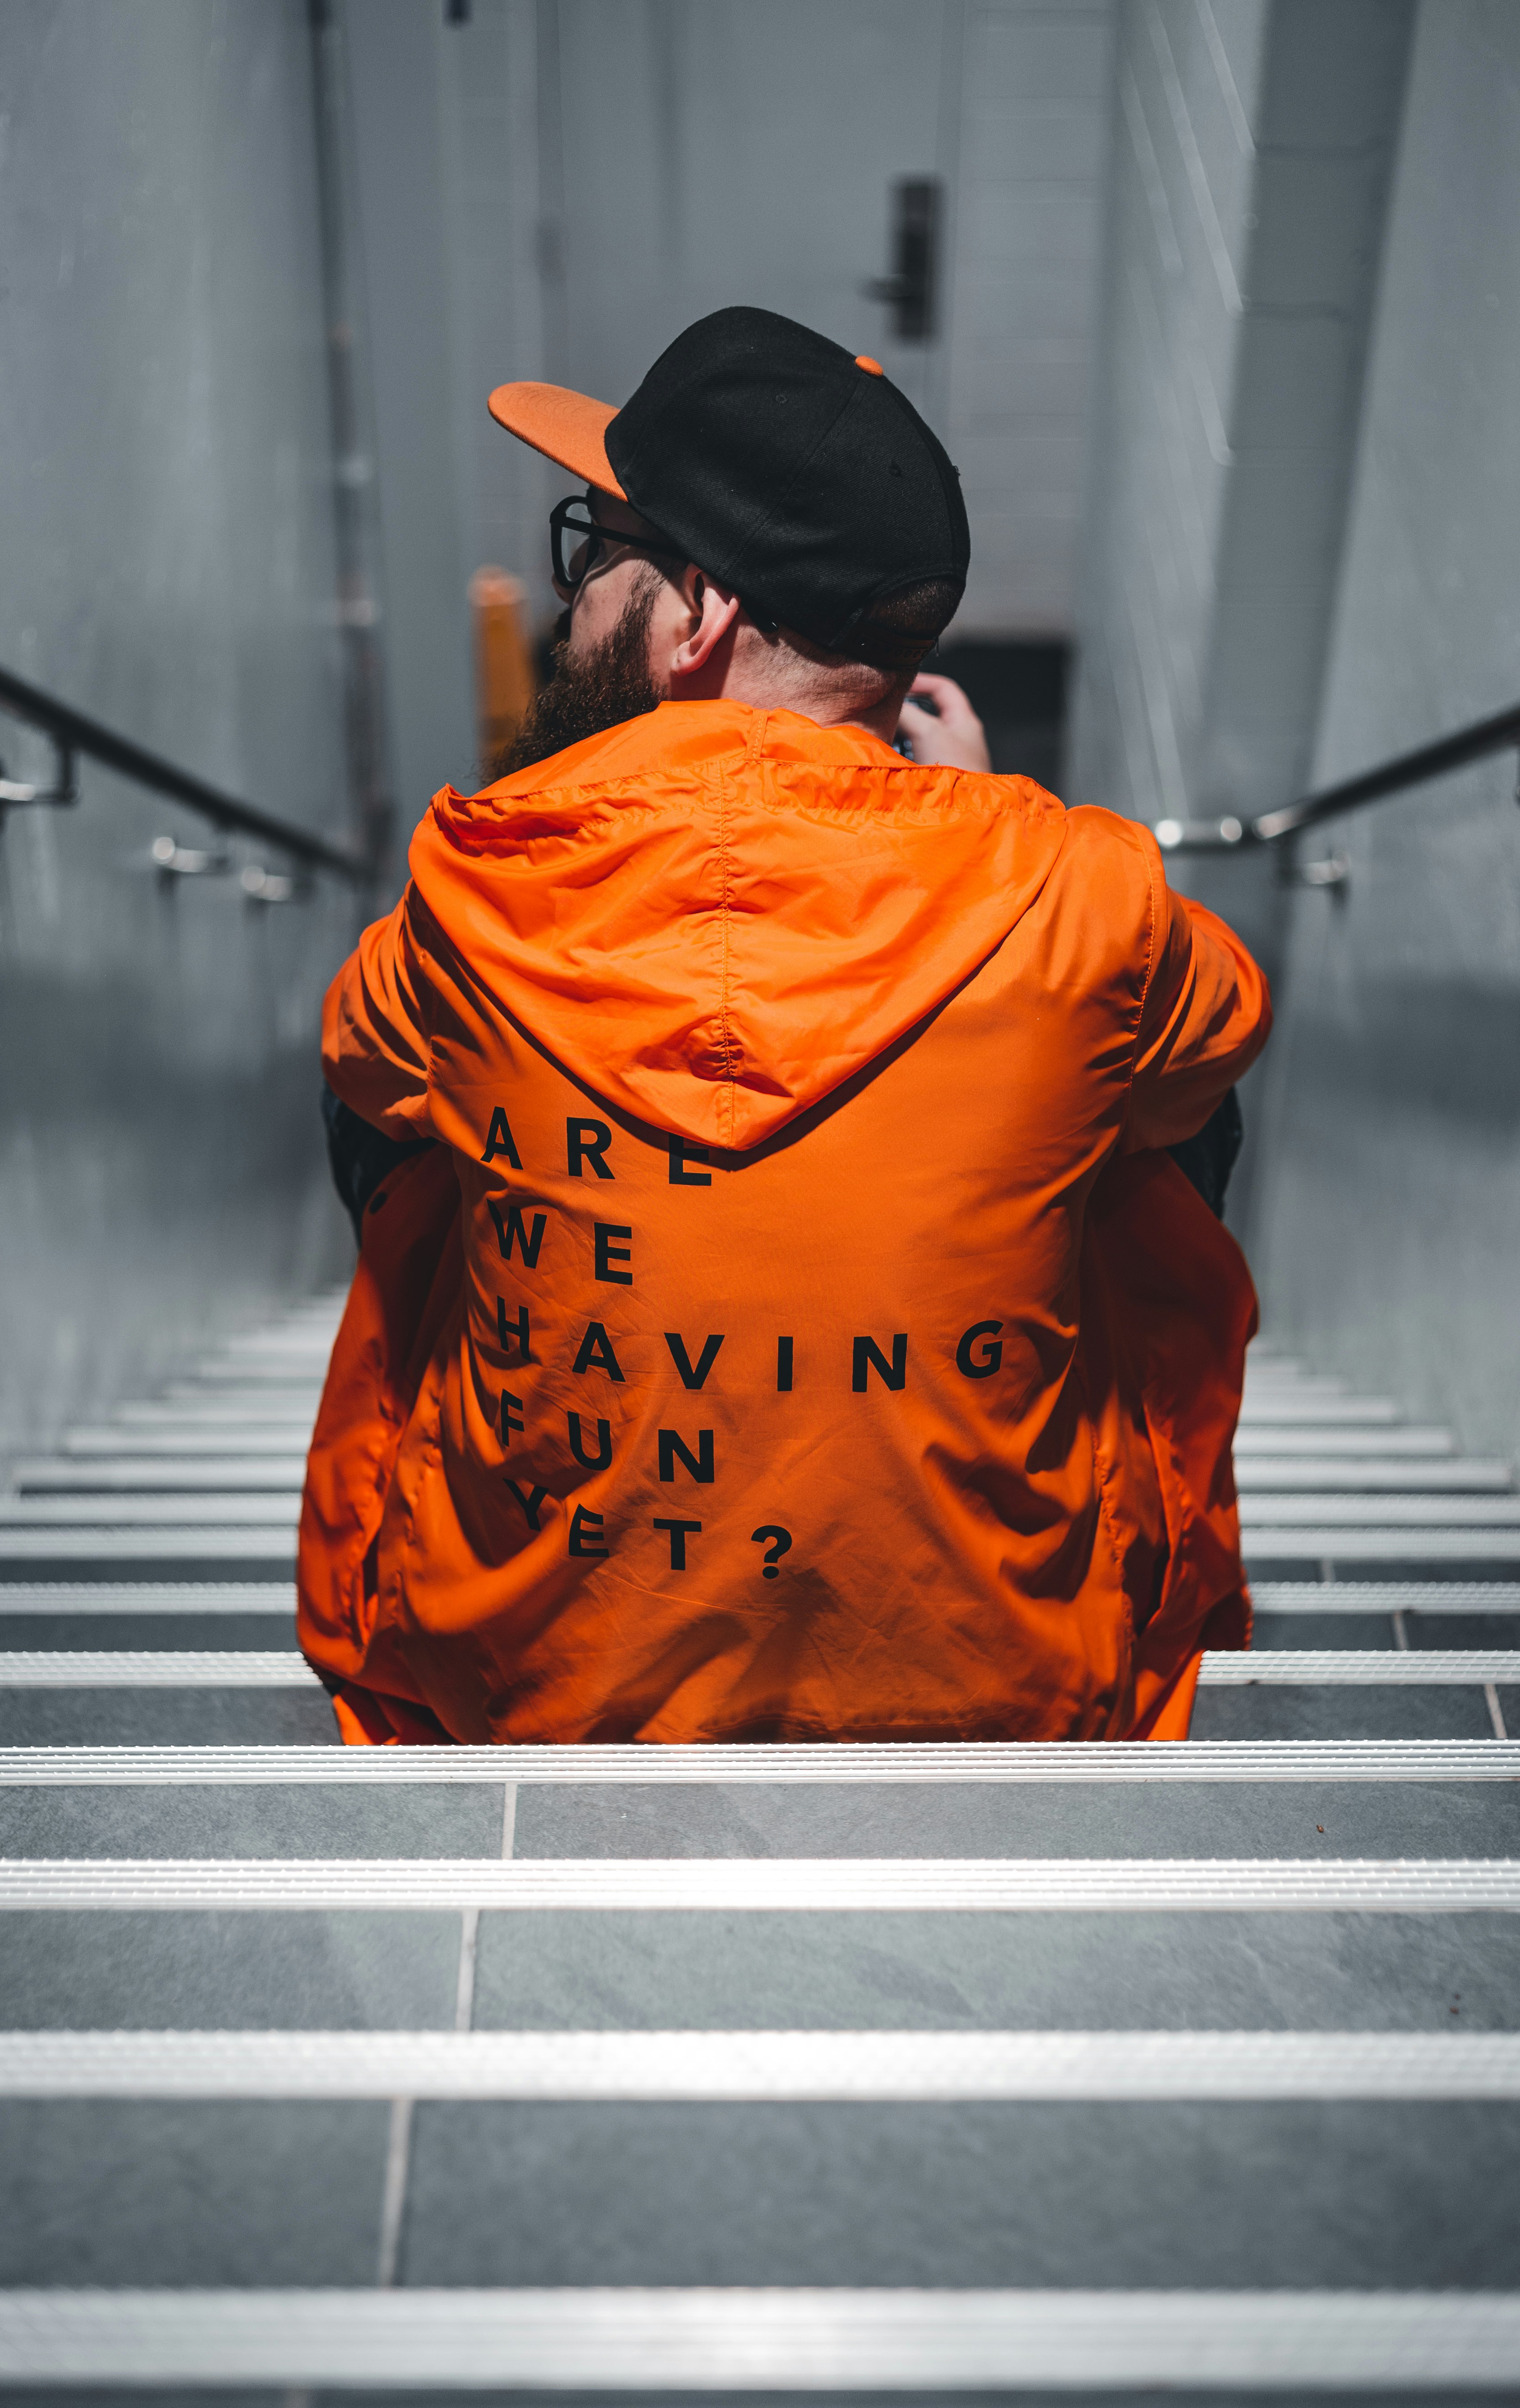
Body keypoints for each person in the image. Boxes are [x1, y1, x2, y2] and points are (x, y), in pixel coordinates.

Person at [300, 306, 1270, 1747]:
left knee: (409, 1130)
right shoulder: (1084, 894)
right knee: (1141, 1109)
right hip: (1004, 1693)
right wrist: (992, 837)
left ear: (697, 617)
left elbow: (360, 1065)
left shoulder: (469, 899)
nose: (575, 608)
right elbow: (1214, 1047)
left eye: (600, 555)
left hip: (526, 1697)